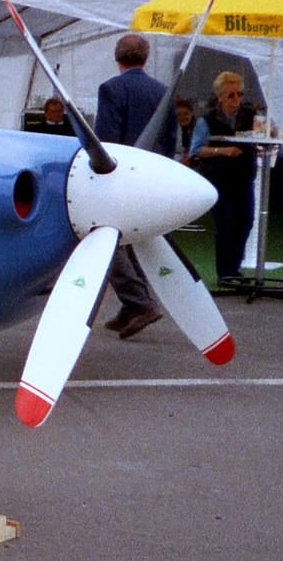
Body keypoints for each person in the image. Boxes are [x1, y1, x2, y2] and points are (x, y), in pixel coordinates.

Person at [94, 33, 176, 338]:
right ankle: (132, 305)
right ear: (146, 58)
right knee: (132, 239)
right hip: (152, 176)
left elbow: (107, 139)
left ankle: (139, 302)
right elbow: (170, 138)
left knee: (105, 238)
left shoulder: (111, 89)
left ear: (118, 58)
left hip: (121, 177)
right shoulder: (161, 91)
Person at [189, 72, 258, 285]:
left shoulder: (251, 116)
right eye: (231, 95)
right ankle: (225, 271)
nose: (236, 99)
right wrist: (222, 150)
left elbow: (262, 135)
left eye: (239, 94)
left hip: (244, 177)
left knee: (246, 222)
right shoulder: (206, 120)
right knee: (226, 223)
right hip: (219, 179)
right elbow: (196, 150)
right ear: (220, 97)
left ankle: (235, 267)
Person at [173, 97, 198, 165]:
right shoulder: (174, 128)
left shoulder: (198, 129)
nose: (182, 117)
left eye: (186, 114)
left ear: (191, 114)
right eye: (179, 115)